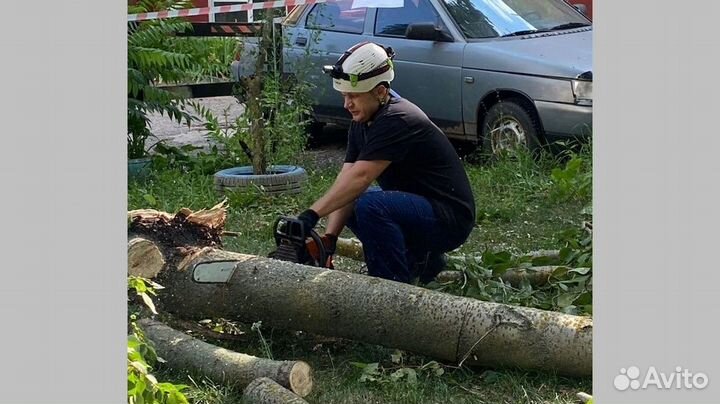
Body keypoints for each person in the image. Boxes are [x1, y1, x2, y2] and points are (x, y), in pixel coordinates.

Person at [294, 41, 476, 284]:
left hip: (449, 219)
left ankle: (390, 286)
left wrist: (312, 214)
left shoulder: (397, 119)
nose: (346, 104)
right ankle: (421, 261)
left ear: (380, 91)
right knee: (353, 199)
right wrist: (329, 239)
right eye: (345, 96)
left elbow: (361, 177)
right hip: (419, 206)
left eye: (353, 96)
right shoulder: (363, 121)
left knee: (371, 206)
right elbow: (347, 180)